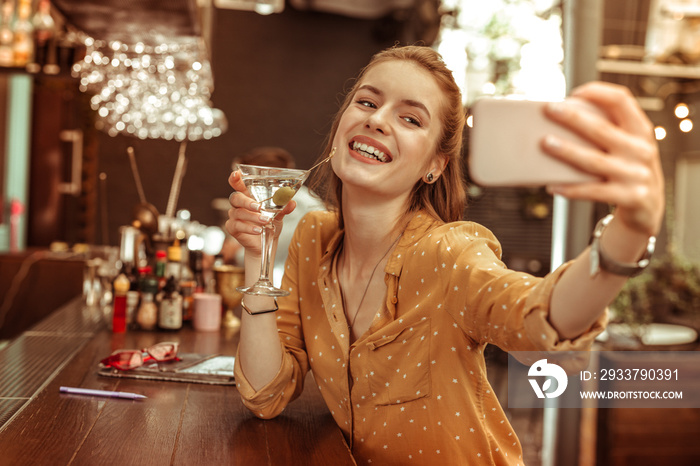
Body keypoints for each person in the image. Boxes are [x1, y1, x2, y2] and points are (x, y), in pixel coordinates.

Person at [225, 45, 664, 465]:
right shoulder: (313, 237)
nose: (377, 120)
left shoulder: (449, 253)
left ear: (434, 164)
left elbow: (543, 317)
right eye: (366, 102)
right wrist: (255, 250)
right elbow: (266, 393)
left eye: (411, 118)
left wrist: (628, 232)